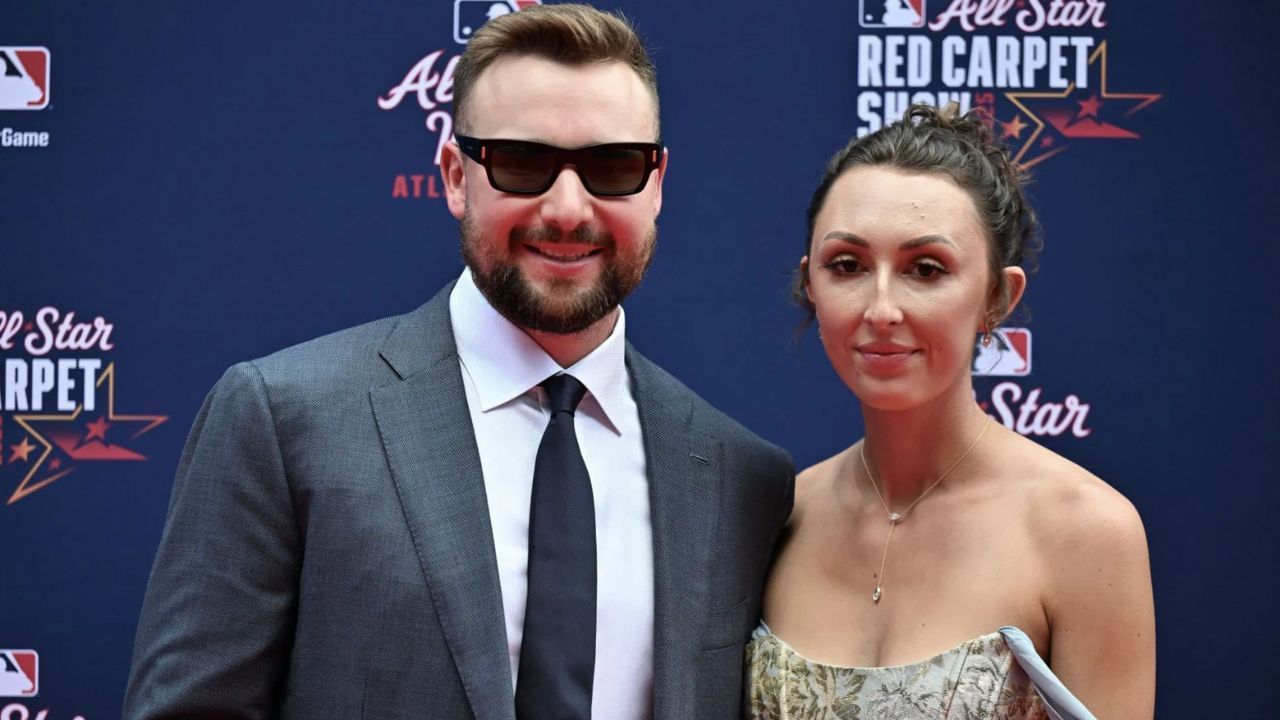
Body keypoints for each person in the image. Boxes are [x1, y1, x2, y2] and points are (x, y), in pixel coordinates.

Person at [122, 5, 794, 719]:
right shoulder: (284, 420)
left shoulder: (738, 475)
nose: (568, 208)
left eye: (613, 167)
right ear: (453, 175)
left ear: (656, 184)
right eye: (523, 162)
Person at [748, 104, 1155, 719]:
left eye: (926, 270)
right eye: (848, 266)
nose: (881, 307)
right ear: (812, 283)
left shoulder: (1086, 532)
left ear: (998, 295)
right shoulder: (777, 517)